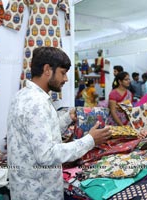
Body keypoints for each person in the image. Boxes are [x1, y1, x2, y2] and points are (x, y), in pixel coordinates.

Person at [7, 47, 112, 200]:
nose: (66, 79)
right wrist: (90, 140)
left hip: (28, 188)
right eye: (63, 73)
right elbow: (46, 155)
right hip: (39, 193)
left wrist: (68, 117)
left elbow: (43, 134)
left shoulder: (23, 96)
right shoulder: (36, 103)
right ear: (47, 70)